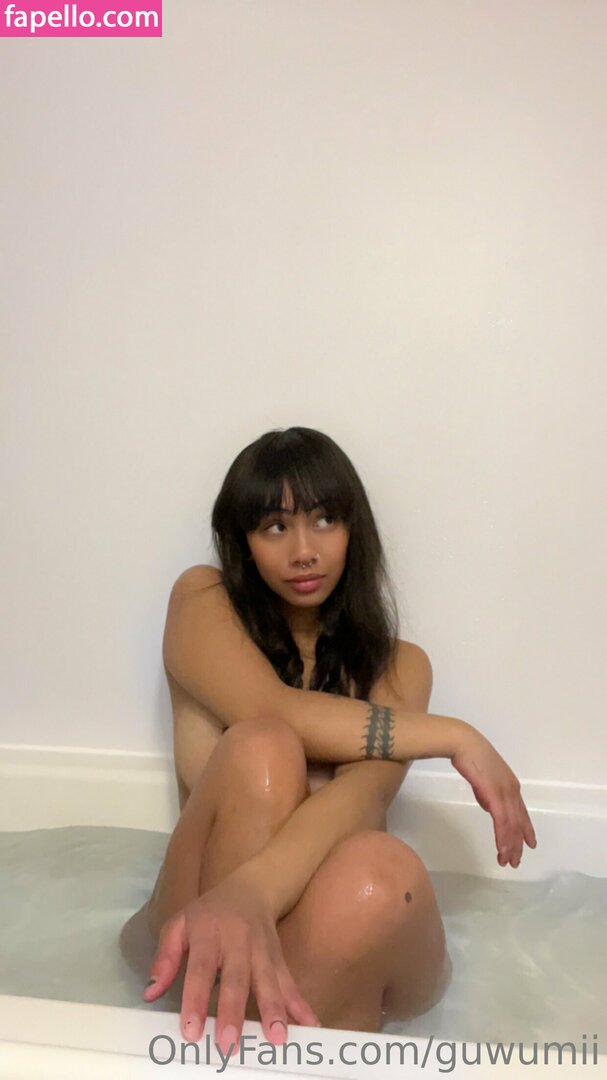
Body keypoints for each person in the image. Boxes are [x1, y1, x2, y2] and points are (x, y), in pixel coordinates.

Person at [119, 425, 537, 1058]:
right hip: (191, 925)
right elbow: (273, 710)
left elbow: (361, 802)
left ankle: (286, 1046)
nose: (303, 551)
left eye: (324, 519)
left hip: (314, 933)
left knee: (382, 871)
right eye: (275, 527)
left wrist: (255, 891)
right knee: (263, 748)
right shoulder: (201, 601)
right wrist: (454, 735)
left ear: (353, 529)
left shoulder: (399, 666)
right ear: (243, 542)